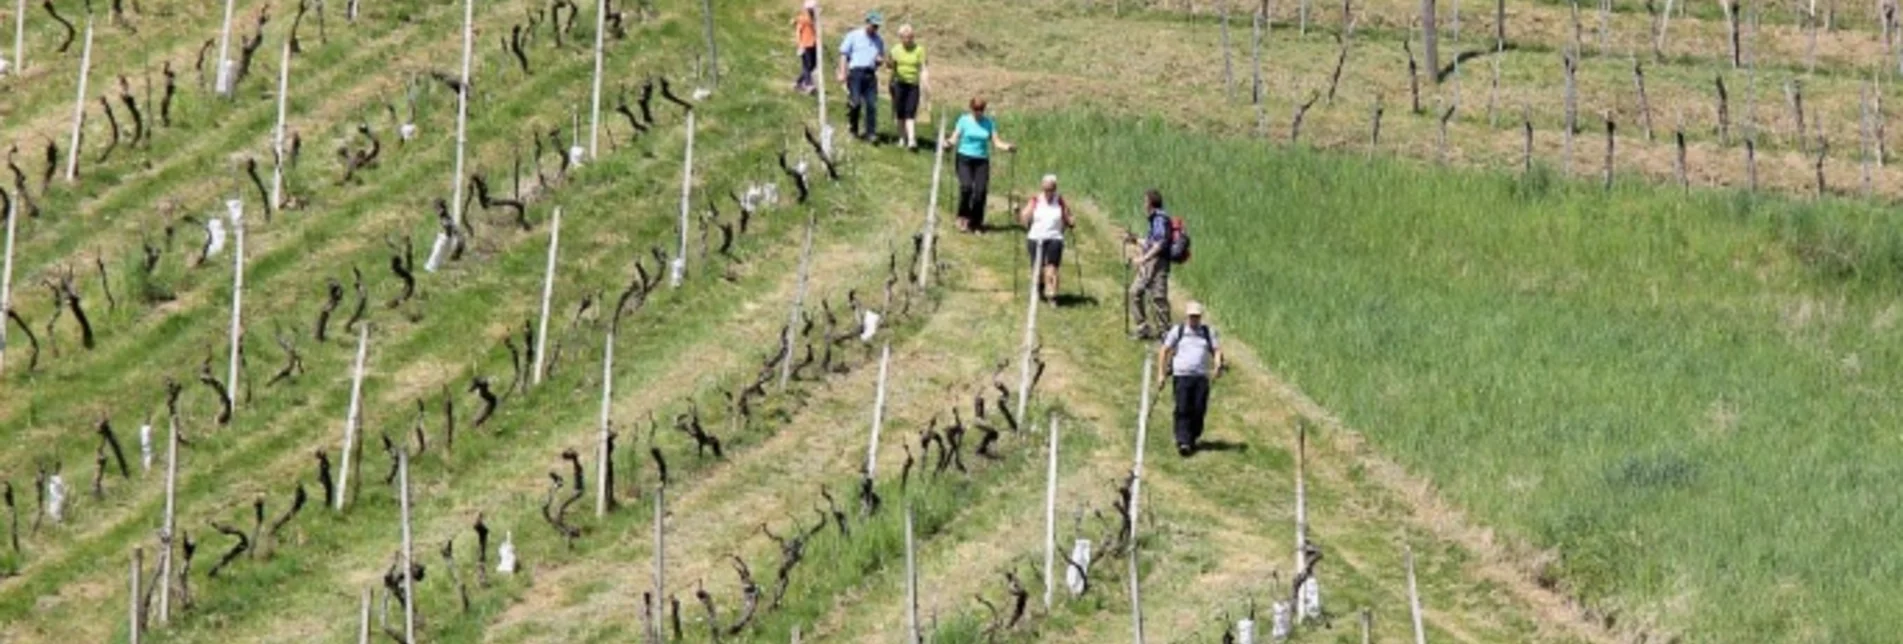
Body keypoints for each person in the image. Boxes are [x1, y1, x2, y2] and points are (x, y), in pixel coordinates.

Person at [1157, 301, 1223, 457]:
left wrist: (1218, 364)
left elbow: (1217, 350)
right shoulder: (1178, 331)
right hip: (1182, 375)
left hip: (1201, 377)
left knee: (1199, 409)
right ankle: (1183, 441)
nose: (1194, 319)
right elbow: (1164, 350)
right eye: (1192, 316)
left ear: (1200, 317)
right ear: (1187, 316)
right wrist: (1161, 373)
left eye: (1197, 317)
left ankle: (1192, 437)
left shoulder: (1207, 332)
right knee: (1183, 408)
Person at [943, 97, 1014, 233]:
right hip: (964, 158)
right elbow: (955, 137)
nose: (978, 112)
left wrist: (1008, 147)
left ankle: (976, 222)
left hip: (981, 160)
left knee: (980, 192)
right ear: (971, 109)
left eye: (981, 109)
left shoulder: (989, 123)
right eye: (976, 109)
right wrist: (948, 143)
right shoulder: (964, 120)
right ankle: (962, 216)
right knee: (966, 187)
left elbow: (996, 142)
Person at [1017, 173, 1074, 303]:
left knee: (1052, 269)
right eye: (1045, 189)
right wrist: (1017, 213)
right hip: (1035, 238)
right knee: (1038, 270)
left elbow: (1068, 217)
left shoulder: (1060, 201)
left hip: (1055, 238)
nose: (1048, 192)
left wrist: (1070, 222)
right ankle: (1039, 286)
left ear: (1055, 188)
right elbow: (1023, 218)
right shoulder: (1035, 200)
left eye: (1050, 189)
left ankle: (1052, 295)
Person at [1126, 189, 1172, 339]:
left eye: (1145, 201)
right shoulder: (1155, 219)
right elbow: (1151, 242)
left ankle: (1166, 333)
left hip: (1158, 263)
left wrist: (1143, 259)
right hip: (1151, 262)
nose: (1143, 205)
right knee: (1135, 292)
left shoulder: (1160, 219)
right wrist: (1135, 240)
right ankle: (1143, 327)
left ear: (1150, 203)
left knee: (1159, 297)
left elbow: (1159, 244)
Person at [837, 10, 887, 142]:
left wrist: (879, 61)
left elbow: (880, 57)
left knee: (871, 104)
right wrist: (842, 72)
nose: (875, 28)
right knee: (855, 102)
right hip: (856, 73)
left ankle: (870, 133)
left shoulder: (879, 41)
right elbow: (844, 54)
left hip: (870, 74)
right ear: (867, 22)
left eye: (877, 26)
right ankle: (853, 129)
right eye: (873, 25)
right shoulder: (853, 36)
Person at [887, 24, 927, 150]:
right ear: (900, 38)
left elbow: (923, 67)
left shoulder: (919, 50)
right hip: (898, 83)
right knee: (900, 113)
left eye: (910, 37)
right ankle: (901, 138)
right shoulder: (895, 49)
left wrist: (925, 81)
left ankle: (911, 140)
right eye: (905, 38)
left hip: (913, 84)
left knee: (910, 112)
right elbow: (890, 66)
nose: (908, 40)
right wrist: (889, 63)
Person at [792, 0, 819, 94]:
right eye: (810, 8)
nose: (812, 10)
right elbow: (798, 32)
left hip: (814, 44)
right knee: (807, 65)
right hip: (805, 44)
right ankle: (808, 84)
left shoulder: (815, 18)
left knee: (813, 64)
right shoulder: (803, 18)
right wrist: (799, 45)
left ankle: (798, 82)